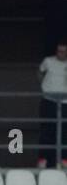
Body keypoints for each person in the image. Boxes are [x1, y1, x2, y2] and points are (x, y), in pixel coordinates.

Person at [37, 40, 67, 169]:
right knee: (47, 131)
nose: (61, 54)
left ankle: (64, 160)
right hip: (49, 100)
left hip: (65, 102)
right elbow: (39, 73)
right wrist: (44, 87)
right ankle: (43, 160)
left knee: (64, 132)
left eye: (64, 52)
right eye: (59, 51)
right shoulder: (48, 61)